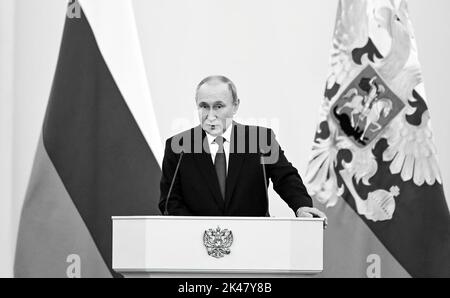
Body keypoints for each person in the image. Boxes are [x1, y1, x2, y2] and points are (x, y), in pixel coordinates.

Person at [159, 75, 327, 227]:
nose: (211, 115)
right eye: (204, 106)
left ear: (235, 106)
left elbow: (285, 178)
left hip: (252, 240)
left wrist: (301, 206)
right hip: (199, 245)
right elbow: (169, 202)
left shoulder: (261, 140)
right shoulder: (178, 146)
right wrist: (202, 230)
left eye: (218, 106)